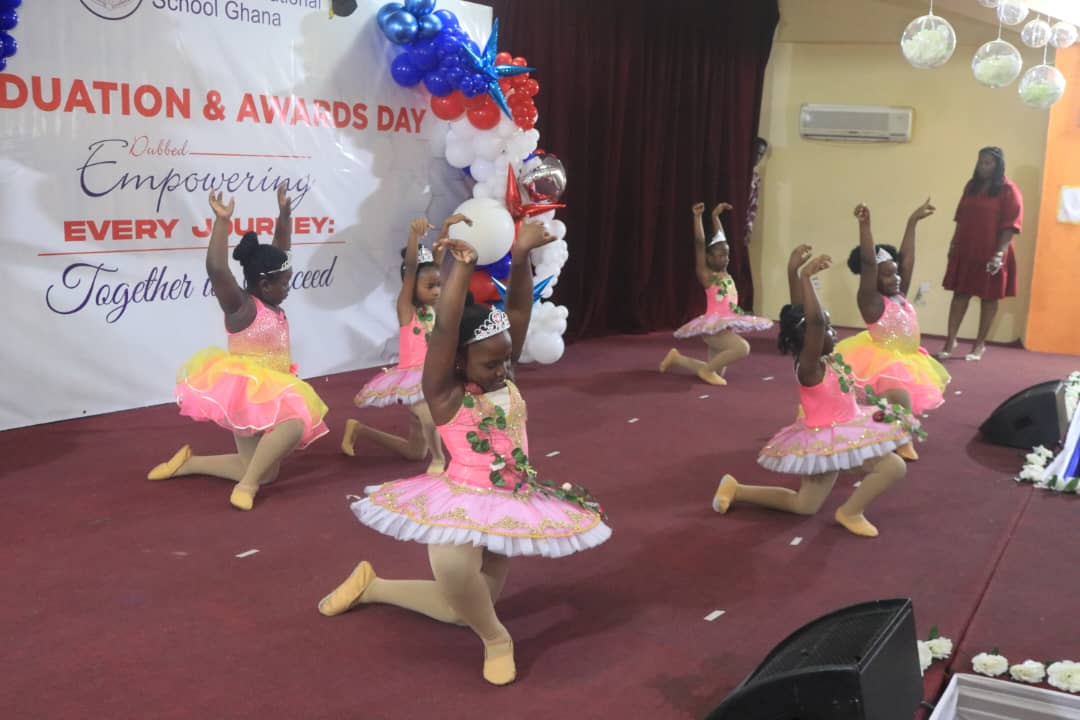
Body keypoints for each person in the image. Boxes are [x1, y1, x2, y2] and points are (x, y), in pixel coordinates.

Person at [317, 223, 611, 687]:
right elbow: (445, 330)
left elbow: (518, 309)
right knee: (455, 571)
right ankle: (497, 639)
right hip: (462, 497)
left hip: (511, 500)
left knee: (462, 610)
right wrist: (461, 269)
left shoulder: (503, 375)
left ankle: (374, 586)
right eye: (492, 364)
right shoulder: (444, 393)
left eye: (506, 360)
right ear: (457, 362)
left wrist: (520, 257)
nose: (503, 370)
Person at [711, 254, 920, 538]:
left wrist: (794, 272)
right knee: (893, 467)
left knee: (804, 506)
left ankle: (737, 489)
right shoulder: (809, 367)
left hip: (846, 429)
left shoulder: (827, 358)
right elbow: (816, 323)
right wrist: (807, 278)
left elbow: (806, 316)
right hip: (826, 440)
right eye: (827, 329)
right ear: (809, 338)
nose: (832, 332)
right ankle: (850, 512)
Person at [147, 188, 328, 511]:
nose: (288, 288)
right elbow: (217, 270)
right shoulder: (242, 308)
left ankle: (189, 463)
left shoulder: (269, 292)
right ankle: (247, 485)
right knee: (294, 424)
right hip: (246, 393)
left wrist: (284, 217)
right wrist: (222, 222)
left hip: (275, 388)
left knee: (266, 471)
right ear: (264, 285)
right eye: (284, 283)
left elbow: (281, 250)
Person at [342, 214, 470, 473]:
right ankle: (439, 460)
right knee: (430, 418)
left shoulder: (432, 306)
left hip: (436, 374)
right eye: (430, 287)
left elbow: (436, 260)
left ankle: (359, 429)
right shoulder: (407, 309)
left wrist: (446, 227)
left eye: (439, 285)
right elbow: (412, 269)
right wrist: (413, 236)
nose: (437, 291)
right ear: (411, 286)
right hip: (414, 380)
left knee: (414, 452)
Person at [835, 201, 949, 423]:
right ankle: (886, 433)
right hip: (886, 364)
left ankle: (893, 433)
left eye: (895, 273)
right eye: (888, 275)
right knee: (893, 408)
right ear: (872, 279)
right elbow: (869, 263)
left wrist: (912, 222)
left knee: (899, 411)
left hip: (909, 360)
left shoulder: (898, 295)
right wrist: (865, 226)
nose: (896, 278)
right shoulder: (872, 302)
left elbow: (907, 261)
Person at [660, 202, 773, 386]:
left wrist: (715, 217)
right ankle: (706, 370)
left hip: (723, 328)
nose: (726, 258)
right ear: (709, 257)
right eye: (721, 256)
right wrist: (697, 217)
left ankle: (677, 358)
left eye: (727, 255)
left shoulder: (725, 271)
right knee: (743, 348)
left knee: (717, 370)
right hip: (713, 329)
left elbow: (722, 241)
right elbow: (699, 243)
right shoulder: (707, 275)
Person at [936, 147, 1023, 361]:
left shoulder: (1008, 190)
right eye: (980, 162)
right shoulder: (971, 186)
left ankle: (979, 345)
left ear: (998, 165)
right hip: (967, 248)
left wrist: (999, 254)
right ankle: (950, 341)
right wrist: (953, 244)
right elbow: (960, 217)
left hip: (993, 250)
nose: (982, 166)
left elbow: (1011, 226)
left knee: (988, 298)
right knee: (960, 294)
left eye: (988, 163)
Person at [745, 137, 768, 246]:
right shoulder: (736, 173)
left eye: (761, 155)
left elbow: (753, 207)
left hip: (742, 227)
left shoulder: (755, 179)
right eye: (757, 153)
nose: (758, 157)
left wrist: (749, 229)